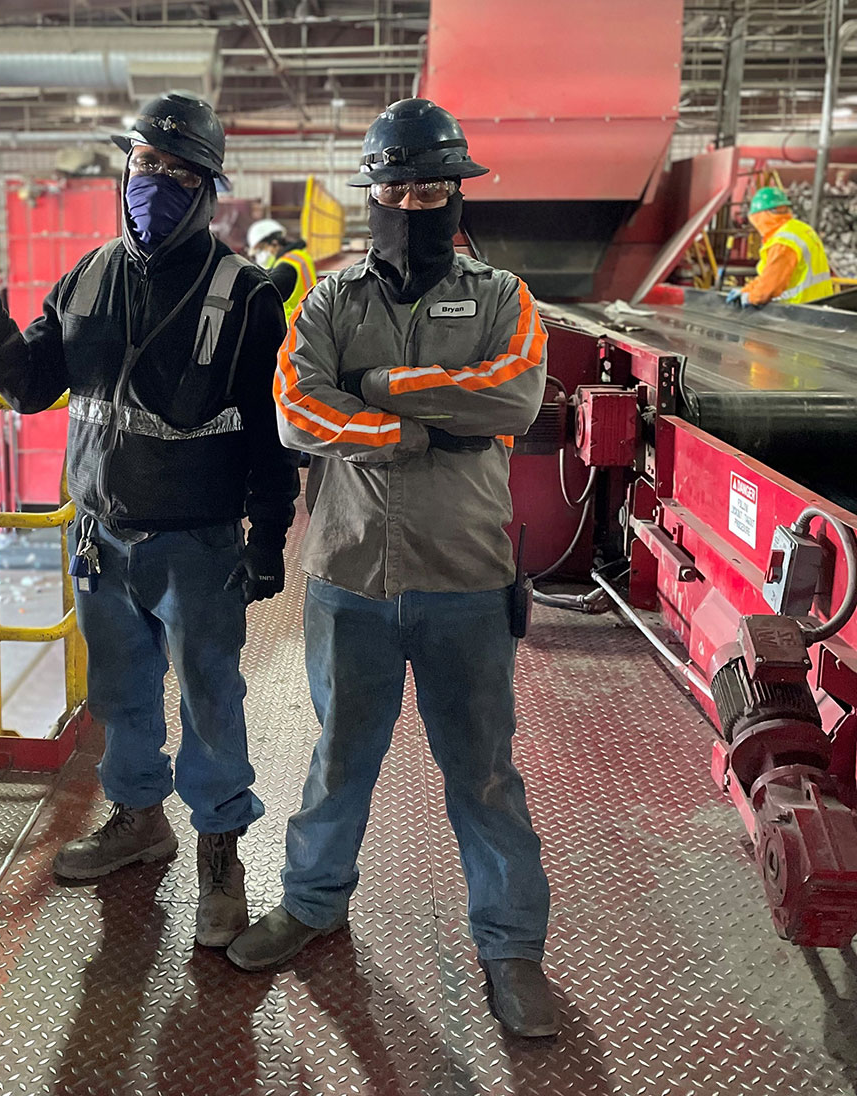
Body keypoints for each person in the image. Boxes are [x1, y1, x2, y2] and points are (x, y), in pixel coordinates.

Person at [226, 98, 558, 1039]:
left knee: (484, 774)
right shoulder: (330, 299)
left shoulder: (503, 300)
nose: (413, 204)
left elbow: (510, 397)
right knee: (339, 759)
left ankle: (511, 948)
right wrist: (415, 429)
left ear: (457, 195)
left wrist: (369, 390)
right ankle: (311, 902)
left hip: (466, 580)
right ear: (373, 193)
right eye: (396, 187)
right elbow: (298, 411)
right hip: (348, 583)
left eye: (431, 187)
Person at [0, 91, 299, 949]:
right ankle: (140, 822)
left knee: (212, 701)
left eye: (178, 173)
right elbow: (33, 388)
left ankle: (221, 853)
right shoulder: (86, 277)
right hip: (101, 537)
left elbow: (270, 434)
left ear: (209, 188)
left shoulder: (246, 296)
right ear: (125, 170)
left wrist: (270, 538)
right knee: (120, 695)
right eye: (146, 165)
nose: (157, 185)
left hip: (198, 546)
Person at [727, 186, 833, 308]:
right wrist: (745, 290)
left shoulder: (783, 242)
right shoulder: (801, 229)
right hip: (820, 307)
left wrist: (750, 298)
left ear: (762, 215)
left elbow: (768, 288)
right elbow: (768, 275)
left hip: (798, 312)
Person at [246, 218, 318, 322]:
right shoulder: (299, 255)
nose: (259, 255)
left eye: (261, 249)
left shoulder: (286, 266)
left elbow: (263, 296)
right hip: (306, 321)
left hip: (292, 328)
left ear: (274, 244)